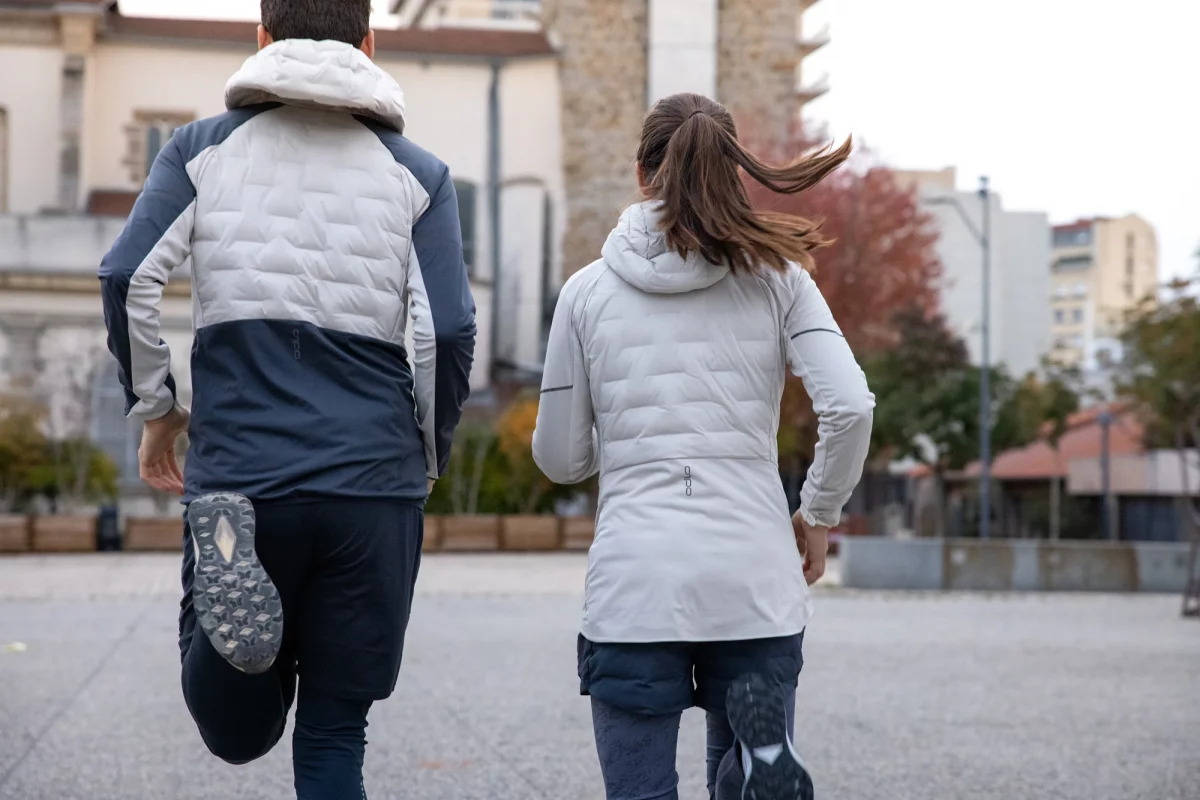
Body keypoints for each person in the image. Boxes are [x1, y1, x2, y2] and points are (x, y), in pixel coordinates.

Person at [97, 1, 475, 796]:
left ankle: (232, 640)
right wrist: (429, 450)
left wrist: (158, 407)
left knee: (239, 733)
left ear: (261, 37)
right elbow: (445, 327)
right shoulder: (421, 175)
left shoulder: (199, 150)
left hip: (245, 475)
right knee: (337, 733)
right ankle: (245, 640)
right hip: (371, 485)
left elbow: (127, 275)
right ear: (370, 44)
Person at [532, 93, 873, 800]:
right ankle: (752, 768)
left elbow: (561, 460)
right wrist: (817, 514)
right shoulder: (783, 280)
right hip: (753, 578)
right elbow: (849, 405)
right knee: (743, 756)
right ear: (731, 171)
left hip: (635, 586)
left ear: (640, 171)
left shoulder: (586, 294)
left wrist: (622, 438)